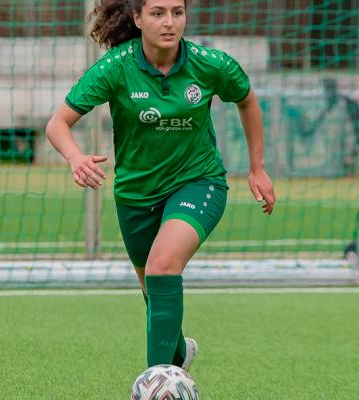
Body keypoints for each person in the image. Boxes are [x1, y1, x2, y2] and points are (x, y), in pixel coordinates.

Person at [46, 0, 276, 371]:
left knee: (163, 267)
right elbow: (58, 123)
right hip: (135, 196)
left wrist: (257, 168)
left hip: (198, 182)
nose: (169, 22)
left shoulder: (212, 64)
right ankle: (178, 357)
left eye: (177, 12)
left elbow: (247, 100)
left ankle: (156, 384)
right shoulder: (116, 66)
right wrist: (76, 158)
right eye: (157, 13)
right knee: (154, 293)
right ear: (137, 18)